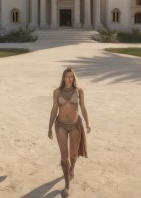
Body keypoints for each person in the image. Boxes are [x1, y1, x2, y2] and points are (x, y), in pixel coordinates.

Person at [48, 67, 91, 197]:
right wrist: (49, 127)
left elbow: (83, 108)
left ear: (74, 78)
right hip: (60, 125)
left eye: (72, 76)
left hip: (75, 126)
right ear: (63, 77)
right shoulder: (57, 92)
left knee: (73, 154)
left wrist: (88, 123)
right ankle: (67, 185)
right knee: (64, 154)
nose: (69, 79)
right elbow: (54, 110)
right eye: (67, 76)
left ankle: (72, 168)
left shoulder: (79, 91)